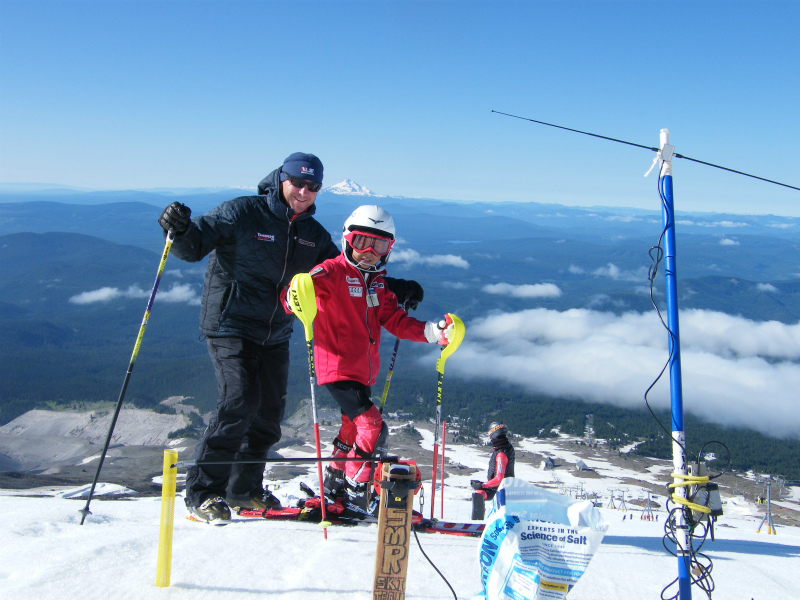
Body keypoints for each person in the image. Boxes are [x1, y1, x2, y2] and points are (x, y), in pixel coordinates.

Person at [157, 154, 424, 525]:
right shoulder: (243, 212)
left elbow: (350, 271)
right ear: (280, 179)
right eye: (297, 182)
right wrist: (180, 229)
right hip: (230, 324)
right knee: (237, 401)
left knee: (268, 413)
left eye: (312, 186)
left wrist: (395, 287)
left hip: (277, 330)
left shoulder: (312, 235)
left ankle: (243, 489)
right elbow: (192, 246)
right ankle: (203, 493)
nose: (303, 191)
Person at [285, 205, 455, 519]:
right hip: (336, 366)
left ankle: (334, 481)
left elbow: (396, 320)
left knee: (352, 427)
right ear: (347, 240)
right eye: (362, 241)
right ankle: (356, 489)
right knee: (371, 425)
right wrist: (296, 295)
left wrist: (433, 332)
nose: (369, 252)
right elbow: (296, 293)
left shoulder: (377, 282)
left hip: (361, 370)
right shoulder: (332, 272)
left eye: (379, 245)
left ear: (388, 249)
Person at [471, 422, 515, 520]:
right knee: (480, 493)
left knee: (478, 494)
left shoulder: (501, 454)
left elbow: (499, 478)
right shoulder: (506, 447)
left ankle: (478, 523)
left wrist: (482, 485)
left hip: (502, 489)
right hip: (505, 487)